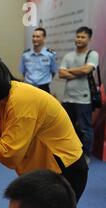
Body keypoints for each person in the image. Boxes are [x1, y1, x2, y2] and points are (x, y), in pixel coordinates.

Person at [0, 55, 88, 202]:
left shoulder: (19, 100)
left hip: (64, 170)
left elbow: (10, 155)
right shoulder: (6, 99)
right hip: (46, 170)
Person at [59, 26, 99, 164]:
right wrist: (80, 71)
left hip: (84, 99)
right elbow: (60, 73)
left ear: (89, 39)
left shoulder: (92, 54)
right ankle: (67, 153)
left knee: (85, 129)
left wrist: (69, 72)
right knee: (66, 127)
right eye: (78, 36)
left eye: (83, 37)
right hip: (67, 98)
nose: (79, 39)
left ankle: (86, 155)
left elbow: (88, 69)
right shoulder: (68, 56)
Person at [19, 27, 58, 93]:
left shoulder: (50, 54)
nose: (34, 39)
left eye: (38, 37)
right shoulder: (25, 54)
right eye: (33, 36)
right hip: (29, 87)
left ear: (44, 38)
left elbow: (53, 71)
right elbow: (23, 72)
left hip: (44, 87)